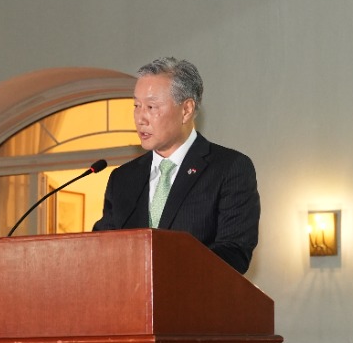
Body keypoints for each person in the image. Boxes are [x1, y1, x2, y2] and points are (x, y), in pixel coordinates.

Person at [93, 58, 259, 273]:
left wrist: (166, 271)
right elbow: (100, 249)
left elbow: (234, 252)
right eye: (136, 105)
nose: (140, 118)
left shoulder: (229, 168)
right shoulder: (122, 178)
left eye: (151, 107)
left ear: (186, 109)